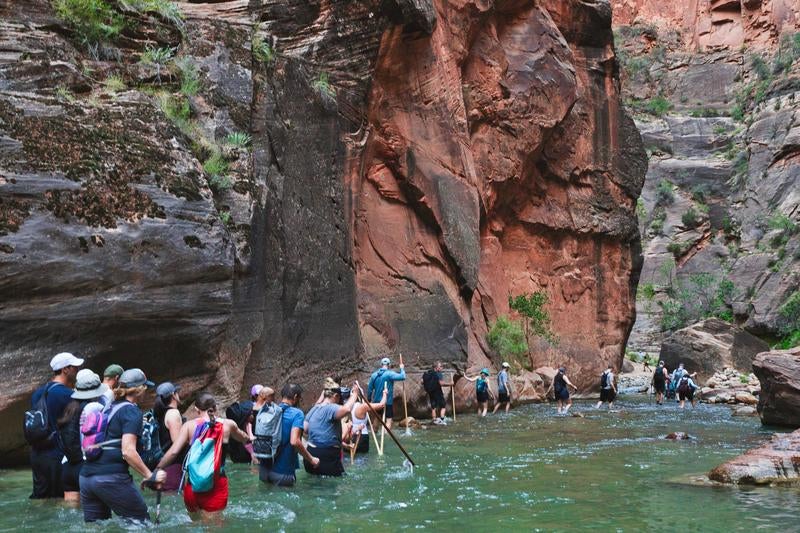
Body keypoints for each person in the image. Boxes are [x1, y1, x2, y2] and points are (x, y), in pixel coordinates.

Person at [79, 368, 165, 523]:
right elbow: (128, 451)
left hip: (86, 478)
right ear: (139, 390)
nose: (146, 392)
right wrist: (149, 475)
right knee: (141, 523)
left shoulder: (109, 407)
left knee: (98, 527)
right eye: (145, 388)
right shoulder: (131, 412)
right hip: (110, 478)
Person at [156, 392, 250, 519]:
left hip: (192, 487)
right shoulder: (228, 425)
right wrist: (247, 437)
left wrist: (157, 469)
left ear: (196, 410)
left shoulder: (188, 426)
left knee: (195, 525)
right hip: (216, 487)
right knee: (213, 527)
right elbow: (243, 438)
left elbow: (173, 452)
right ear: (215, 408)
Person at [29, 352, 83, 499]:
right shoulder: (68, 395)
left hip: (37, 454)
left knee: (40, 498)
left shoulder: (37, 393)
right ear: (65, 369)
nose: (77, 371)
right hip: (57, 455)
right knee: (60, 500)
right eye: (75, 367)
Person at [56, 369, 108, 504]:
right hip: (85, 465)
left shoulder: (70, 408)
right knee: (94, 515)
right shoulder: (95, 407)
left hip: (67, 466)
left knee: (71, 514)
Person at [257, 384, 319, 486]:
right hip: (282, 472)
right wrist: (312, 459)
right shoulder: (297, 414)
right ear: (295, 397)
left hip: (264, 471)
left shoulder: (270, 410)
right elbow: (294, 441)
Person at [303, 380, 358, 476]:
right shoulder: (331, 407)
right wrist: (355, 394)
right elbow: (346, 409)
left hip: (310, 455)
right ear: (335, 396)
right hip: (327, 457)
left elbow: (305, 429)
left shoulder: (314, 408)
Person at [152, 381, 184, 491]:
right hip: (171, 468)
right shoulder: (173, 413)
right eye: (177, 392)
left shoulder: (159, 415)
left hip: (161, 467)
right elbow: (177, 444)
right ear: (173, 396)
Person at [225, 384, 261, 463]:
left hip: (238, 450)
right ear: (254, 396)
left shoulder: (245, 407)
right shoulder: (249, 408)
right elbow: (248, 426)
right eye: (259, 395)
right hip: (244, 449)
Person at [367, 357, 405, 429]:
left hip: (377, 402)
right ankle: (386, 435)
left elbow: (369, 390)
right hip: (387, 402)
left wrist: (369, 400)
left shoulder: (374, 375)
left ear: (381, 364)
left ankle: (375, 431)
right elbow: (403, 377)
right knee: (388, 420)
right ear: (389, 365)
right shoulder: (390, 374)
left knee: (376, 419)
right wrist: (402, 368)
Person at [349, 386, 387, 453]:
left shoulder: (348, 407)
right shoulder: (362, 406)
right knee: (363, 459)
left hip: (351, 436)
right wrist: (385, 394)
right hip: (362, 436)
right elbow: (381, 405)